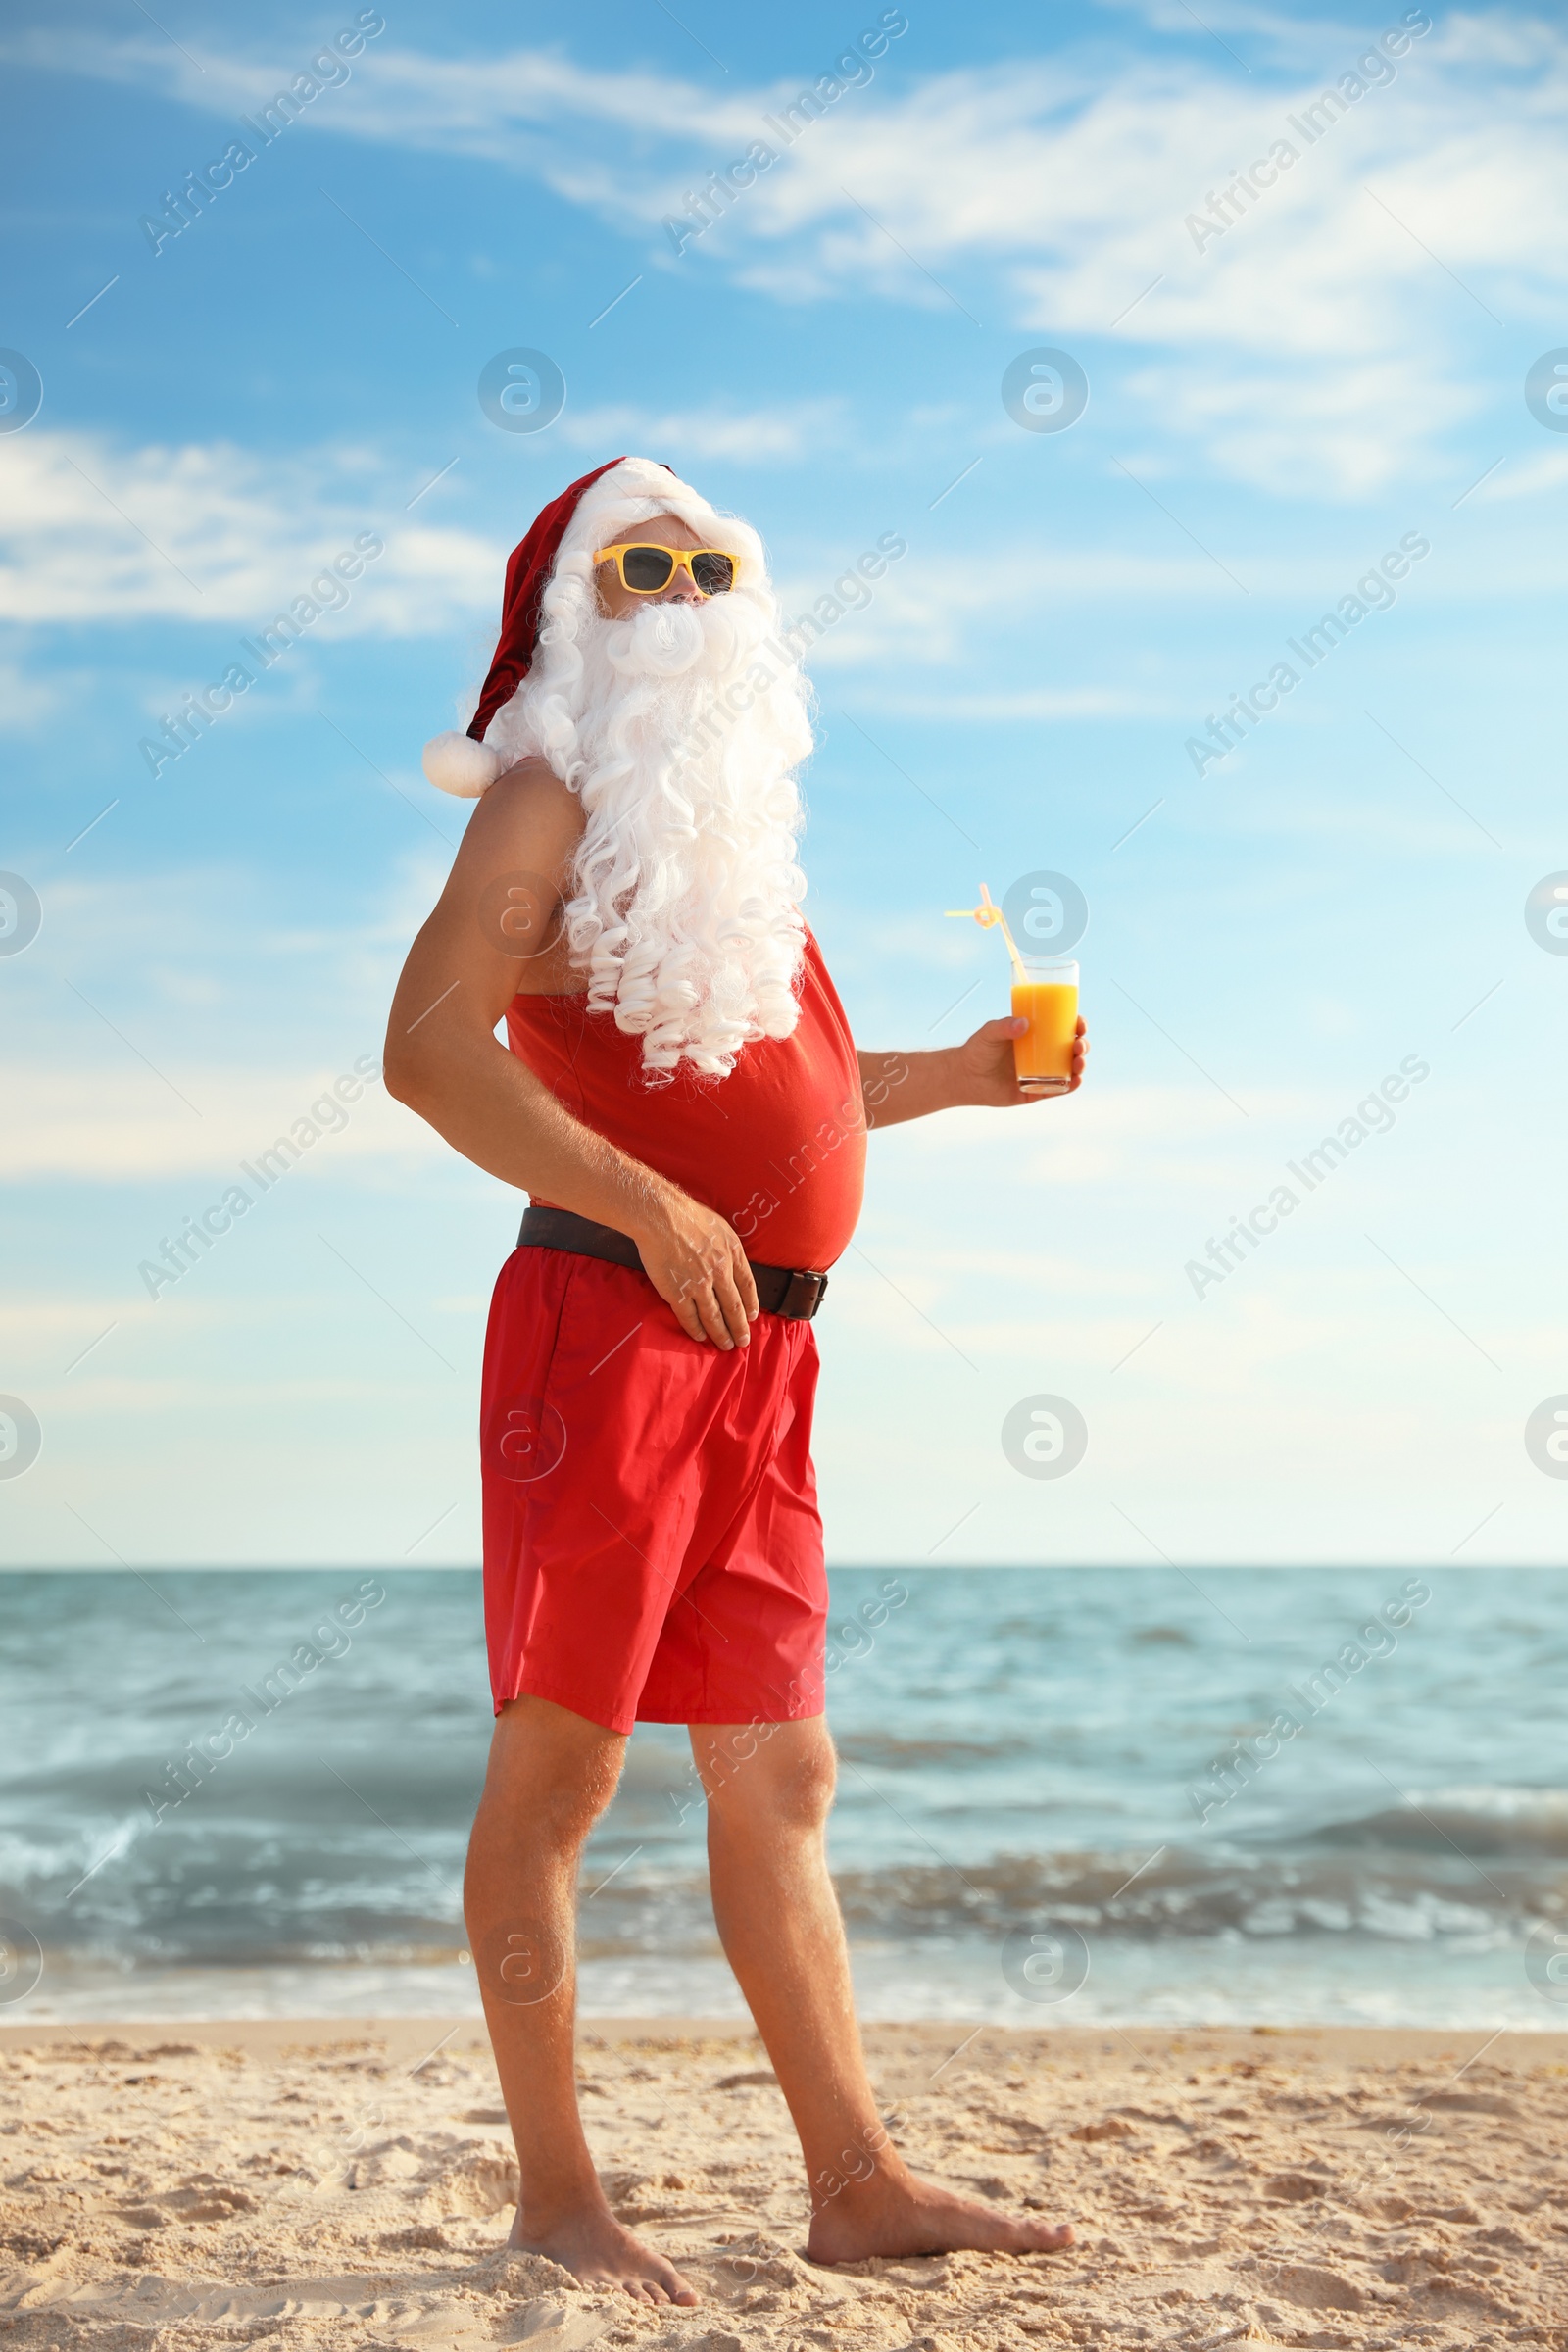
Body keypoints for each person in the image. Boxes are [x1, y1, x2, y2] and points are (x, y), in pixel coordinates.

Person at [384, 457, 1089, 2307]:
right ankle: (556, 2198)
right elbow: (427, 1051)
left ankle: (854, 2183)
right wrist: (645, 1205)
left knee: (781, 1772)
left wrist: (956, 1073)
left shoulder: (726, 846)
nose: (684, 594)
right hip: (609, 1334)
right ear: (573, 614)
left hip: (766, 1353)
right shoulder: (541, 798)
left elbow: (782, 1102)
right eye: (644, 565)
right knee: (565, 1775)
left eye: (714, 564)